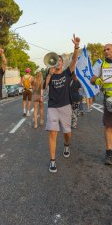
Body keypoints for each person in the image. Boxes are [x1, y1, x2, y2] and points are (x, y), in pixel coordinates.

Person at [45, 34, 80, 173]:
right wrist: (49, 74)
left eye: (60, 60)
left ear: (62, 63)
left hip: (65, 106)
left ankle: (66, 145)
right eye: (56, 61)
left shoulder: (66, 72)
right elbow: (44, 87)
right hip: (53, 107)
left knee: (67, 132)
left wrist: (76, 46)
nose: (58, 62)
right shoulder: (50, 74)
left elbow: (74, 60)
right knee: (53, 133)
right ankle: (52, 161)